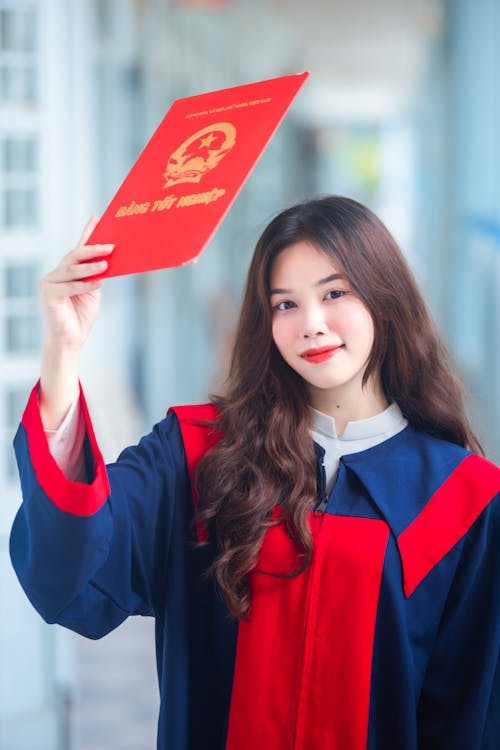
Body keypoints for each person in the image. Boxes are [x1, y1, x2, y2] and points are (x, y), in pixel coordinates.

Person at [10, 196, 500, 750]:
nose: (311, 325)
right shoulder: (198, 455)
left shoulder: (464, 499)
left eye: (335, 293)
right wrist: (63, 352)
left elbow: (471, 710)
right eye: (284, 305)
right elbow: (74, 561)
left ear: (385, 298)